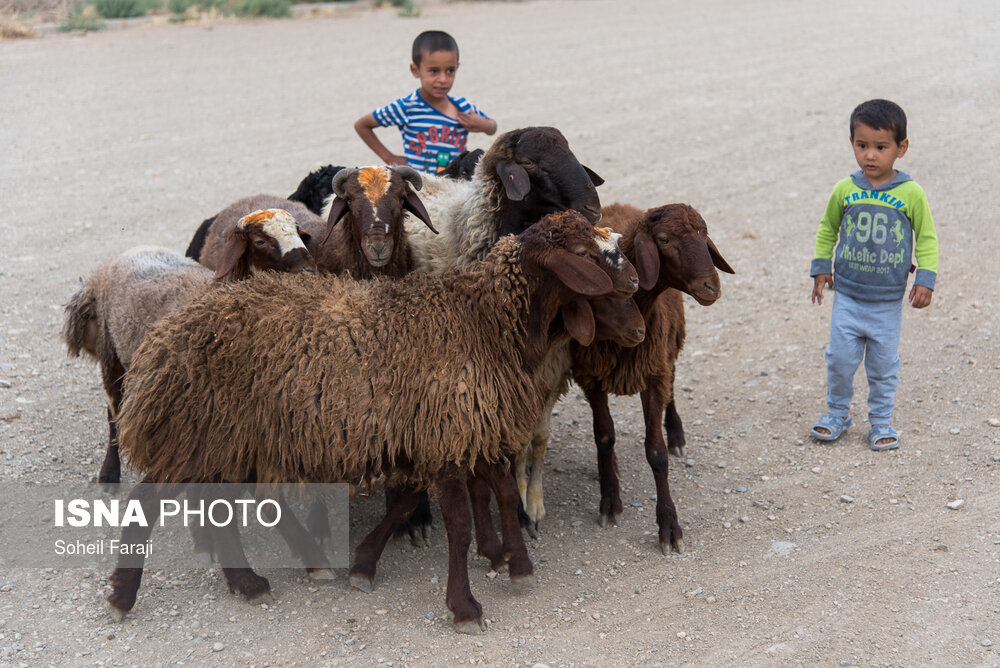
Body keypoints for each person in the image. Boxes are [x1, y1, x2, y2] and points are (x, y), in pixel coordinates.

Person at [808, 99, 939, 451]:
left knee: (882, 366)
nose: (870, 155)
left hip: (886, 303)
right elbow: (827, 229)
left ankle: (881, 422)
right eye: (861, 145)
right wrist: (821, 268)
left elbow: (926, 237)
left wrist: (925, 277)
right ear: (852, 142)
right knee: (840, 360)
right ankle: (837, 414)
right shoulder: (845, 190)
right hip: (848, 297)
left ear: (901, 148)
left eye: (881, 147)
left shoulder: (910, 194)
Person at [354, 30, 497, 174]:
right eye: (434, 71)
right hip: (419, 188)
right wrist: (389, 157)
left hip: (453, 187)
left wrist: (484, 125)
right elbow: (362, 125)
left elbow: (493, 128)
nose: (443, 79)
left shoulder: (463, 107)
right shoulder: (407, 107)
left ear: (457, 68)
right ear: (415, 70)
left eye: (450, 71)